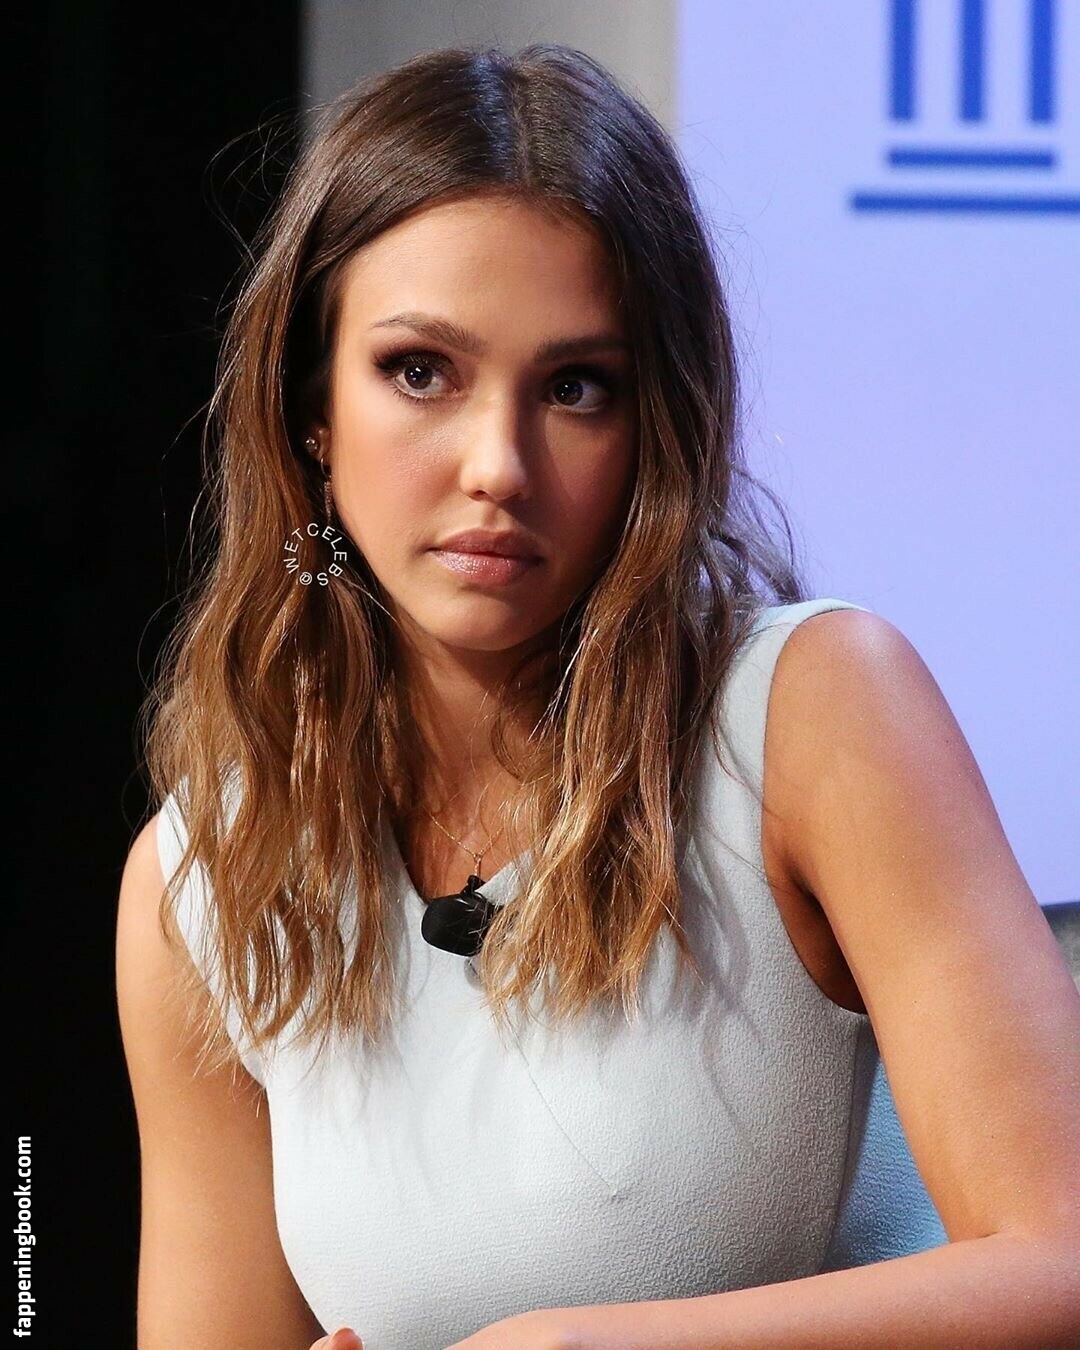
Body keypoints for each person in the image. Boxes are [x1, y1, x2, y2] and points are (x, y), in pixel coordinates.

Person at [115, 42, 1080, 1350]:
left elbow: (1059, 1258)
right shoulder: (204, 876)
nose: (497, 464)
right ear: (311, 415)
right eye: (420, 371)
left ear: (652, 429)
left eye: (576, 388)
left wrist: (598, 1345)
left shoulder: (812, 710)